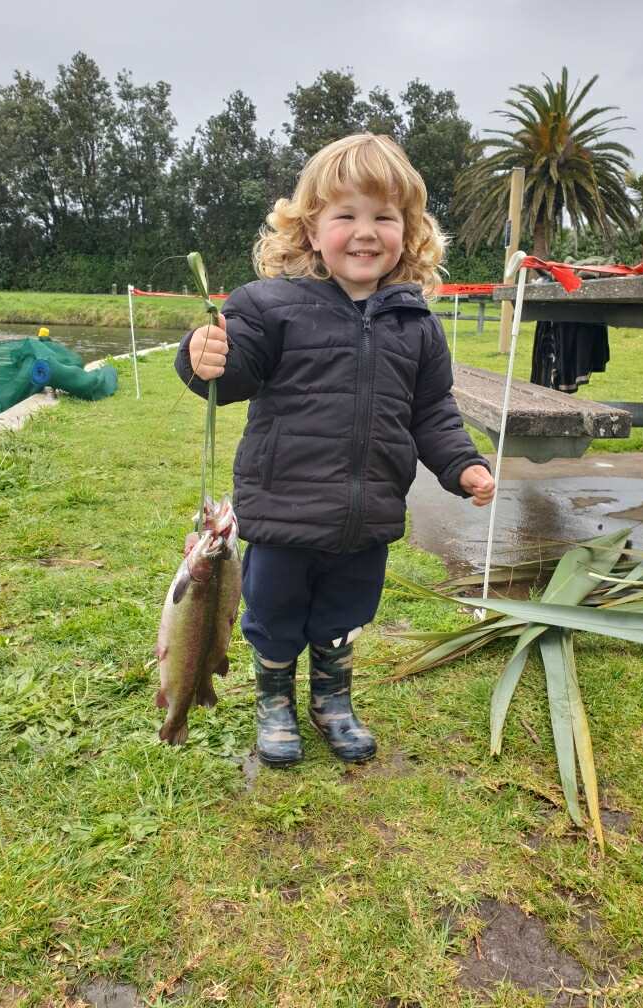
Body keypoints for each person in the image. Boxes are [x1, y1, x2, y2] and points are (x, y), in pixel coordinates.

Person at [175, 133, 495, 769]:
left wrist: (463, 465)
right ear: (310, 228)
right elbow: (231, 377)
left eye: (384, 216)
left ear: (410, 231)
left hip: (366, 515)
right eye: (345, 215)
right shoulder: (269, 307)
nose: (365, 232)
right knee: (274, 614)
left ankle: (333, 700)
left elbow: (432, 411)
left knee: (345, 613)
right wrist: (202, 358)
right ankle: (274, 703)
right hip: (283, 512)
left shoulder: (417, 323)